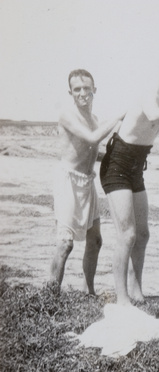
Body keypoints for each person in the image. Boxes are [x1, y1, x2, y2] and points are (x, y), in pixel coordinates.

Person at [100, 52, 159, 305]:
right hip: (117, 164)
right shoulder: (148, 96)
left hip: (135, 169)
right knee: (127, 234)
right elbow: (154, 116)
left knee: (143, 234)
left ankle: (135, 289)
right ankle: (121, 297)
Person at [49, 69, 124, 293]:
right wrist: (118, 118)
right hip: (67, 181)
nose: (83, 93)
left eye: (87, 88)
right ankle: (50, 296)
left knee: (96, 241)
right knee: (65, 244)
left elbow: (91, 152)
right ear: (70, 92)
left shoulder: (95, 120)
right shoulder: (67, 115)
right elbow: (92, 138)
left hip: (87, 182)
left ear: (94, 90)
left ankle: (88, 292)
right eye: (77, 89)